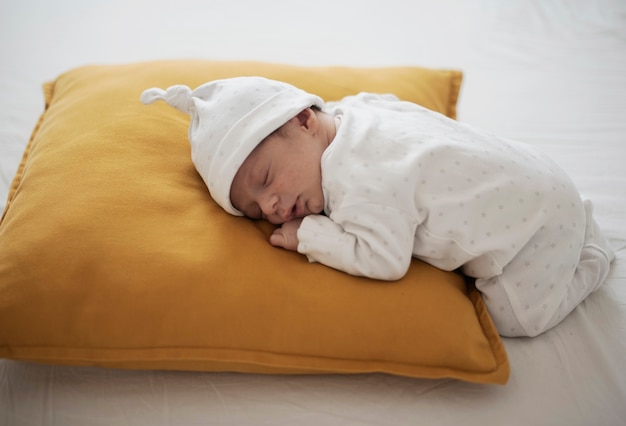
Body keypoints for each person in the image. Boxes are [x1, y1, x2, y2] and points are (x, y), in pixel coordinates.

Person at [141, 76, 614, 337]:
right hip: (542, 172)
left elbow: (385, 260)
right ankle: (579, 221)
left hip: (534, 231)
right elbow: (383, 100)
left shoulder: (356, 180)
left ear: (304, 120)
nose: (274, 207)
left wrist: (311, 236)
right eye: (256, 210)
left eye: (266, 180)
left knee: (514, 320)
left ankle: (593, 259)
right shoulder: (358, 113)